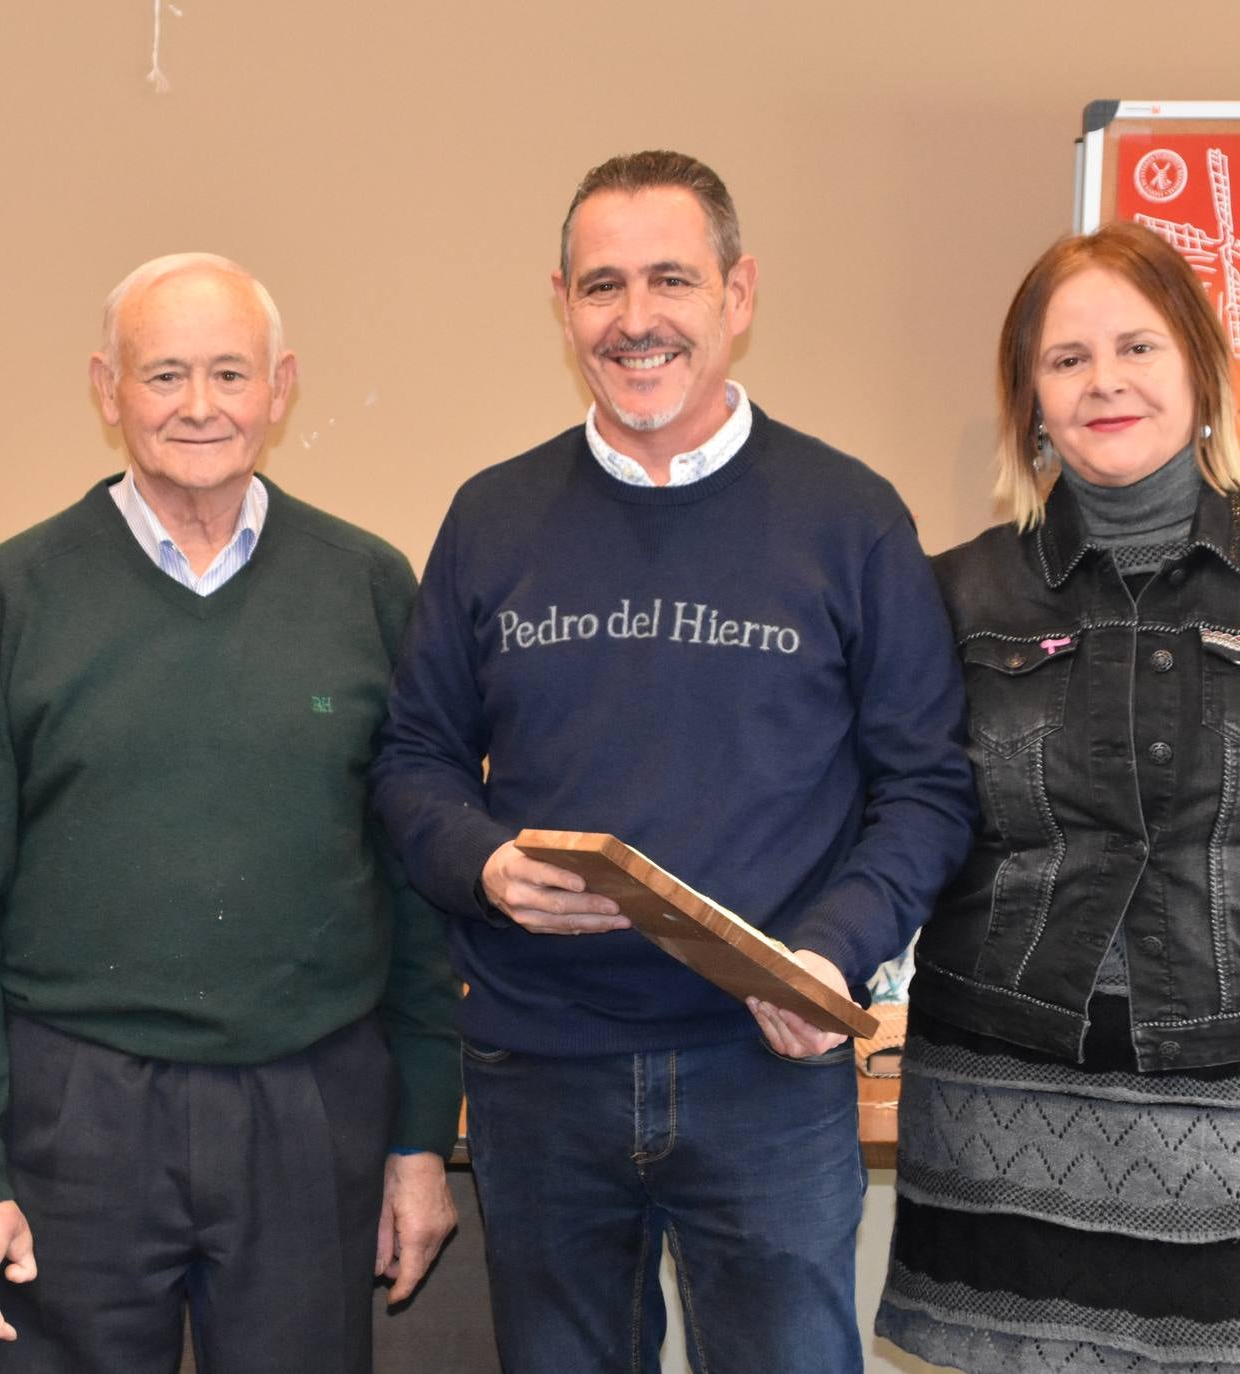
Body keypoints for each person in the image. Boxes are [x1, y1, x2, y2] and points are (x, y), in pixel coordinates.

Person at [370, 149, 977, 1373]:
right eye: (602, 287)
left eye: (670, 281)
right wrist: (484, 866)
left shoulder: (848, 519)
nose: (635, 320)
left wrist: (829, 953)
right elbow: (411, 762)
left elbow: (926, 787)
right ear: (561, 304)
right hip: (540, 1073)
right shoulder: (493, 518)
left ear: (737, 294)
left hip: (763, 1062)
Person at [874, 221, 1240, 1373]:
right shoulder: (955, 592)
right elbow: (905, 819)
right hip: (1002, 1099)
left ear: (1198, 366)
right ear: (1030, 399)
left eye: (1137, 347)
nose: (1106, 383)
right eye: (1067, 359)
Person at [0, 252, 461, 1373]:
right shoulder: (12, 598)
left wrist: (419, 1137)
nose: (199, 406)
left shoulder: (369, 588)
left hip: (308, 1109)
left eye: (228, 373)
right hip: (75, 1115)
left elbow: (415, 895)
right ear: (107, 391)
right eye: (163, 376)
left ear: (281, 387)